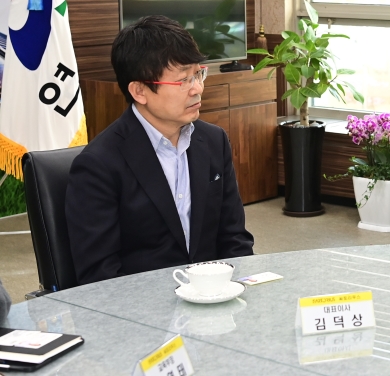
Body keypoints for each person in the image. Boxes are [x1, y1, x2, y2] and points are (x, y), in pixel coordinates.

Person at [66, 16, 253, 285]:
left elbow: (235, 239)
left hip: (214, 299)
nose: (197, 89)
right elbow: (100, 276)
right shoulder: (99, 164)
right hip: (141, 313)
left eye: (198, 74)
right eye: (182, 81)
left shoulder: (213, 141)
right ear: (139, 91)